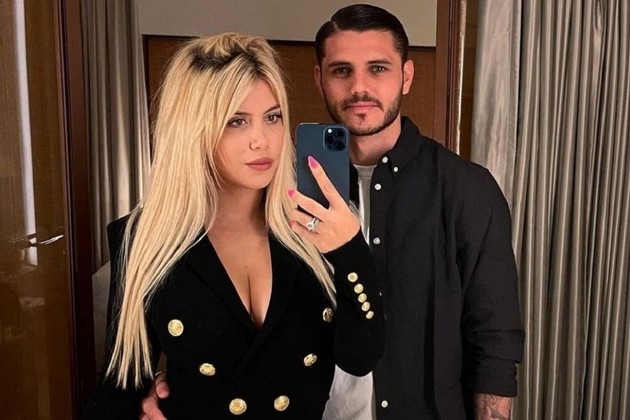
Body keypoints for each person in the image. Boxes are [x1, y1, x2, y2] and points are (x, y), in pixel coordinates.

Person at [140, 4, 525, 419]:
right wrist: (175, 382)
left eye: (378, 69)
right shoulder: (276, 191)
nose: (359, 87)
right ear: (319, 78)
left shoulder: (466, 189)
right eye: (342, 70)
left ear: (406, 76)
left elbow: (495, 337)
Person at [83, 32, 384, 419]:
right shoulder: (145, 239)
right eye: (237, 121)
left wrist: (351, 250)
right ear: (193, 130)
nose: (262, 141)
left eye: (272, 117)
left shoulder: (315, 227)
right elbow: (120, 387)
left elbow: (360, 357)